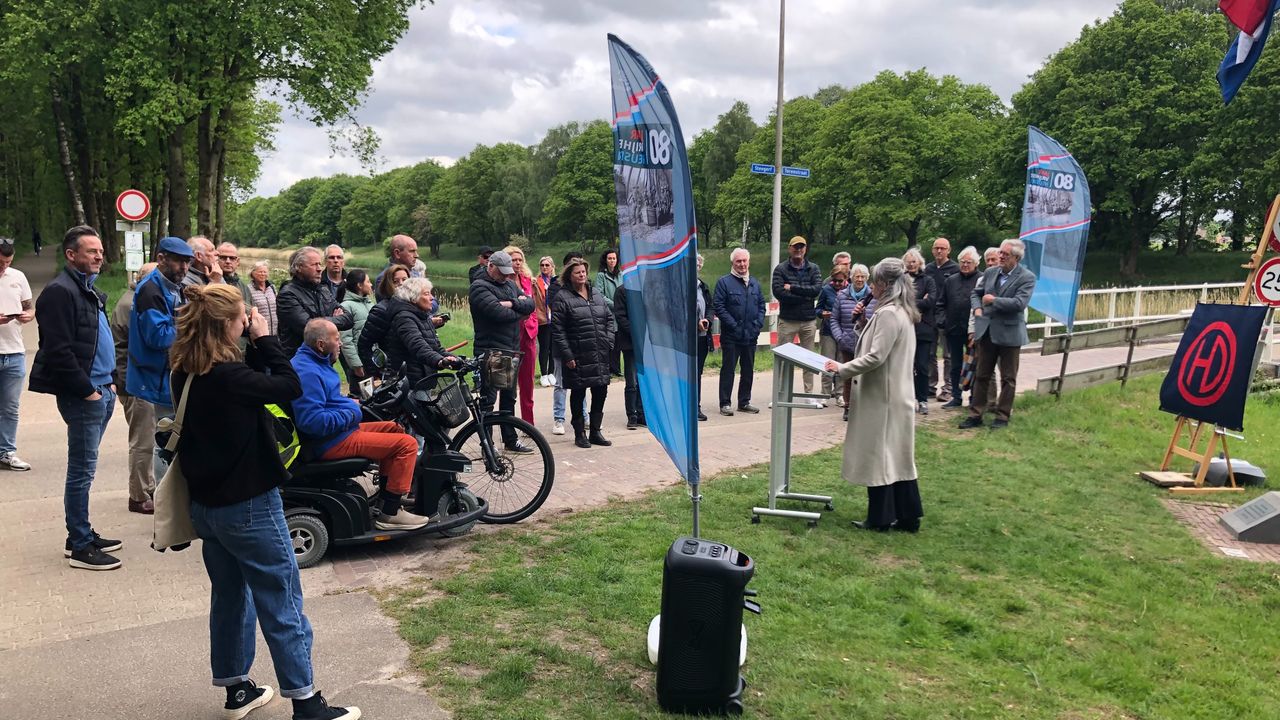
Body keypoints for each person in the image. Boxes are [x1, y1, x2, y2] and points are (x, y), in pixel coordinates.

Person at [170, 285, 360, 720]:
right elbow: (288, 386)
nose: (249, 322)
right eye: (243, 317)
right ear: (229, 326)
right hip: (249, 505)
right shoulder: (230, 377)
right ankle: (307, 702)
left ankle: (237, 689)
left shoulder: (188, 369)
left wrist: (251, 344)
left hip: (208, 506)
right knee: (281, 599)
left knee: (231, 597)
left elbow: (258, 385)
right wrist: (265, 339)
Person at [30, 225, 121, 570]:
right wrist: (88, 392)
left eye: (100, 251)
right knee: (81, 471)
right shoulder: (58, 292)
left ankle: (80, 533)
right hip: (84, 396)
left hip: (101, 389)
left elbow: (98, 341)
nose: (99, 256)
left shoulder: (87, 289)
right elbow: (58, 351)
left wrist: (110, 382)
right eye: (91, 251)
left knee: (87, 468)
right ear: (71, 255)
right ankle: (81, 546)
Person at [291, 317, 428, 531]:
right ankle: (390, 514)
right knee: (407, 444)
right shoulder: (308, 372)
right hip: (329, 442)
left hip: (338, 433)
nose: (341, 343)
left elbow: (328, 400)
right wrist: (352, 412)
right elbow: (312, 422)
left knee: (394, 428)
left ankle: (386, 500)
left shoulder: (315, 361)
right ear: (321, 344)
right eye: (337, 339)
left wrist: (349, 402)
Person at [825, 257, 923, 533]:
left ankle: (879, 518)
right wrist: (860, 323)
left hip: (883, 397)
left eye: (874, 282)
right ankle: (907, 516)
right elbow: (878, 344)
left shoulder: (891, 313)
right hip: (893, 394)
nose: (870, 286)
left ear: (883, 284)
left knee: (879, 457)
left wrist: (842, 369)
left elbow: (876, 356)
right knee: (899, 458)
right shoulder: (896, 311)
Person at [961, 238, 1037, 429]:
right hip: (987, 331)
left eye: (1005, 254)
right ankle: (975, 414)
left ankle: (1002, 416)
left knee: (1008, 378)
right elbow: (976, 294)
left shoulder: (1026, 277)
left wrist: (994, 300)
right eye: (1000, 253)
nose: (1000, 256)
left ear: (1016, 258)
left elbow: (1020, 304)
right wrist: (978, 309)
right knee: (982, 375)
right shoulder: (990, 272)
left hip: (1010, 334)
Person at [469, 250, 535, 452]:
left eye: (509, 272)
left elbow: (531, 304)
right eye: (502, 272)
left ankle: (510, 439)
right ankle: (487, 444)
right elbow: (498, 314)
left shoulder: (508, 284)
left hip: (511, 349)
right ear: (490, 266)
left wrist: (513, 304)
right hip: (492, 351)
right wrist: (519, 309)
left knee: (509, 398)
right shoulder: (479, 287)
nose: (507, 276)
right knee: (489, 400)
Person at [129, 237, 195, 422]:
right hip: (154, 381)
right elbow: (159, 337)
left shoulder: (177, 287)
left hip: (166, 378)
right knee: (164, 441)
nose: (184, 267)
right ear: (161, 258)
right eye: (178, 261)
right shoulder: (150, 290)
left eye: (187, 262)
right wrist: (192, 324)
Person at [552, 257, 614, 449]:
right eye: (577, 272)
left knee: (600, 391)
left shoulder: (595, 293)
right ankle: (580, 434)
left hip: (599, 352)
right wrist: (567, 355)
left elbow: (609, 319)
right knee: (578, 393)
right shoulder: (562, 297)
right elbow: (558, 330)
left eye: (584, 271)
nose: (582, 275)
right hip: (577, 355)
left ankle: (595, 431)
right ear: (569, 275)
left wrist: (608, 340)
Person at [111, 262, 158, 513]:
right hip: (136, 383)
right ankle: (138, 496)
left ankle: (147, 487)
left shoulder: (133, 299)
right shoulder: (133, 305)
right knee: (142, 441)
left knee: (146, 438)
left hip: (135, 380)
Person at [713, 248, 765, 416]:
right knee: (728, 369)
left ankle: (744, 402)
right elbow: (719, 307)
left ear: (748, 262)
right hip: (731, 336)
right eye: (738, 261)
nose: (742, 264)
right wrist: (734, 326)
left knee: (748, 369)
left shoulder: (755, 283)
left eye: (744, 261)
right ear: (732, 263)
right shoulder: (724, 283)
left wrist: (757, 325)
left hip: (750, 335)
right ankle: (725, 403)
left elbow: (761, 306)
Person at [772, 235, 823, 397]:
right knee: (783, 358)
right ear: (790, 248)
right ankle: (780, 394)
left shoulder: (814, 268)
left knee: (809, 360)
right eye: (795, 247)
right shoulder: (780, 269)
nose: (798, 250)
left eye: (801, 247)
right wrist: (805, 296)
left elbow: (816, 290)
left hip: (808, 321)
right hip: (788, 320)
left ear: (805, 249)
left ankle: (809, 394)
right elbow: (779, 293)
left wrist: (792, 287)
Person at [277, 246, 352, 356]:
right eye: (314, 265)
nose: (319, 269)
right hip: (299, 359)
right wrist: (334, 319)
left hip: (323, 358)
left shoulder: (322, 290)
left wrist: (320, 322)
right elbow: (309, 328)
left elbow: (349, 318)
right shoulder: (287, 294)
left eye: (319, 264)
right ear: (299, 268)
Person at [384, 278, 458, 385]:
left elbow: (435, 348)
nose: (432, 298)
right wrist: (440, 361)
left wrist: (457, 360)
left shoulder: (423, 315)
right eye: (427, 294)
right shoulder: (404, 318)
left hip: (425, 377)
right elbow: (418, 346)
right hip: (410, 381)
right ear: (414, 298)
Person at [0, 240, 32, 472]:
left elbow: (29, 306)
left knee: (10, 407)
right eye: (0, 263)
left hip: (14, 351)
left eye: (8, 263)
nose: (4, 268)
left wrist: (28, 315)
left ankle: (6, 451)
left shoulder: (18, 276)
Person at [938, 247, 982, 409]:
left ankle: (974, 397)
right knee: (955, 365)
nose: (964, 265)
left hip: (974, 331)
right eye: (962, 262)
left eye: (968, 262)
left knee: (975, 365)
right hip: (953, 330)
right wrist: (942, 321)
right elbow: (941, 304)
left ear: (976, 263)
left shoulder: (982, 279)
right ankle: (956, 397)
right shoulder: (951, 280)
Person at [828, 264, 871, 420]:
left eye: (862, 276)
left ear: (867, 278)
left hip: (867, 344)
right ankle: (848, 407)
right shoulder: (842, 295)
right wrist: (840, 337)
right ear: (851, 277)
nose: (859, 279)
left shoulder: (873, 296)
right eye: (857, 276)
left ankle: (864, 407)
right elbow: (834, 319)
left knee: (865, 377)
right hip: (848, 343)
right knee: (847, 376)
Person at [548, 251, 584, 435]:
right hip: (562, 345)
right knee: (561, 383)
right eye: (573, 265)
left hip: (581, 344)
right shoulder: (555, 288)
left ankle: (584, 418)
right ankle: (559, 420)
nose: (579, 272)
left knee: (582, 383)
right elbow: (558, 315)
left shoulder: (587, 288)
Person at [503, 245, 539, 425]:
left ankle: (528, 424)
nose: (517, 263)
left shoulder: (527, 280)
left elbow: (533, 306)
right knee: (508, 384)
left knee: (527, 383)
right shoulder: (502, 282)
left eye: (519, 260)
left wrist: (533, 323)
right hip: (510, 335)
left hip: (529, 334)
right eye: (513, 260)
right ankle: (508, 424)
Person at [356, 263, 413, 375]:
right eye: (395, 281)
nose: (401, 284)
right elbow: (364, 345)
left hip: (415, 372)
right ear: (388, 284)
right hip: (393, 373)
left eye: (404, 280)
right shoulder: (381, 310)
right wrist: (376, 372)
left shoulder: (415, 306)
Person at [903, 248, 937, 415]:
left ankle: (922, 399)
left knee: (922, 366)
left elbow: (931, 301)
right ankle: (907, 399)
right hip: (904, 329)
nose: (911, 264)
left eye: (914, 261)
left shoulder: (928, 280)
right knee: (906, 367)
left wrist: (910, 302)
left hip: (923, 329)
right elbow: (898, 299)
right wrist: (919, 301)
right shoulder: (900, 280)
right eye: (908, 261)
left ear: (920, 263)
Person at [924, 237, 958, 402]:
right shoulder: (927, 269)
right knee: (930, 353)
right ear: (932, 250)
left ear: (948, 251)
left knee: (948, 354)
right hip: (929, 317)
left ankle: (948, 387)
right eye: (936, 248)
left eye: (942, 248)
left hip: (946, 317)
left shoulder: (955, 269)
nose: (939, 251)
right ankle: (930, 385)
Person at [816, 252, 851, 399]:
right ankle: (824, 393)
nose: (837, 284)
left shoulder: (850, 290)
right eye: (835, 281)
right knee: (827, 361)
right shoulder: (826, 289)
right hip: (828, 330)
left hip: (844, 331)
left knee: (841, 362)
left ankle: (840, 393)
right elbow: (817, 309)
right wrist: (822, 314)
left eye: (840, 282)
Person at [612, 283, 646, 429]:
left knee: (643, 381)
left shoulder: (645, 288)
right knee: (631, 381)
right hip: (629, 342)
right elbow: (620, 316)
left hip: (645, 343)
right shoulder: (621, 291)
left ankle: (641, 413)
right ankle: (631, 415)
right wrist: (636, 332)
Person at [338, 269, 374, 394]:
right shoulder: (346, 306)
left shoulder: (369, 304)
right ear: (359, 285)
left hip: (373, 360)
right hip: (360, 363)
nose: (371, 285)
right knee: (363, 396)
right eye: (368, 282)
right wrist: (356, 365)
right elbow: (346, 339)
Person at [594, 248, 624, 376]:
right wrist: (615, 304)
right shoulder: (601, 276)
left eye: (614, 258)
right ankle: (608, 369)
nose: (612, 261)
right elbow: (599, 294)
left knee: (619, 341)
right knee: (609, 341)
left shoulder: (621, 274)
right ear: (605, 260)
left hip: (620, 313)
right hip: (608, 313)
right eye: (609, 258)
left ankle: (617, 369)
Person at [696, 253, 713, 422]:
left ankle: (696, 406)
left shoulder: (703, 286)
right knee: (686, 374)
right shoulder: (681, 285)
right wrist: (696, 322)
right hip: (686, 338)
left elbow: (710, 306)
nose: (696, 268)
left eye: (698, 265)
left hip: (702, 337)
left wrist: (707, 319)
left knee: (697, 373)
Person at [536, 256, 556, 386]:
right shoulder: (536, 281)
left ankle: (551, 373)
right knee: (544, 347)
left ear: (552, 267)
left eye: (547, 265)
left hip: (555, 318)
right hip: (542, 318)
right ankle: (543, 374)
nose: (544, 267)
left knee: (554, 347)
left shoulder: (556, 281)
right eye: (542, 265)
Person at [246, 261, 278, 335]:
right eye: (260, 272)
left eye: (265, 272)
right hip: (259, 331)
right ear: (252, 273)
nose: (263, 274)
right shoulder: (248, 289)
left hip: (276, 331)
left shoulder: (272, 288)